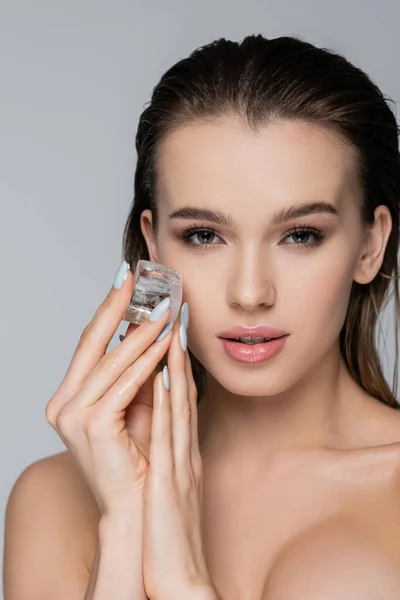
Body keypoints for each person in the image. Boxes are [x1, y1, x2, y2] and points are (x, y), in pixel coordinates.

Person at [4, 33, 400, 599]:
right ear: (154, 248)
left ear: (369, 246)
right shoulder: (54, 498)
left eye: (301, 234)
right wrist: (125, 523)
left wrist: (183, 583)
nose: (249, 292)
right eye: (205, 235)